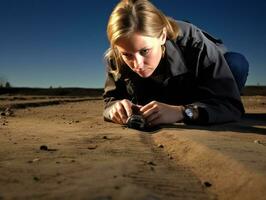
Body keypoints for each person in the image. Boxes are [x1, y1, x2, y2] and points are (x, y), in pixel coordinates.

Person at [102, 0, 249, 127]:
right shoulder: (116, 54)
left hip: (199, 91)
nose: (137, 64)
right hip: (161, 96)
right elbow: (111, 100)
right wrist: (115, 108)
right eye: (127, 55)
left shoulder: (194, 42)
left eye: (145, 51)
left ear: (162, 37)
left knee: (236, 63)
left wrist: (184, 112)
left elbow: (232, 105)